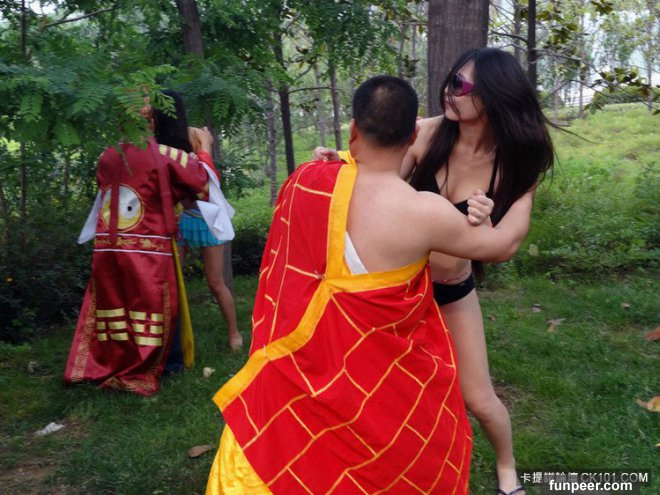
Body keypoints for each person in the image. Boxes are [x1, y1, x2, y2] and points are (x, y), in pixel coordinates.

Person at [206, 75, 527, 495]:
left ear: (354, 128)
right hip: (384, 345)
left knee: (475, 399)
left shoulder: (306, 180)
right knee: (391, 418)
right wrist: (518, 195)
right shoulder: (425, 213)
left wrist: (329, 161)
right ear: (412, 137)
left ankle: (507, 467)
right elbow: (500, 246)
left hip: (324, 347)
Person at [314, 48, 555, 495]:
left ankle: (507, 467)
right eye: (450, 80)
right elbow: (378, 178)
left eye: (460, 85)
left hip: (450, 290)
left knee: (478, 399)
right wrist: (341, 164)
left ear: (493, 96)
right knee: (382, 393)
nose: (449, 91)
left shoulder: (516, 160)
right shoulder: (427, 132)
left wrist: (487, 222)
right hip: (401, 291)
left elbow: (508, 243)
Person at [64, 94, 231, 396]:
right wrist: (205, 149)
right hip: (148, 248)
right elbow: (202, 185)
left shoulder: (107, 156)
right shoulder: (166, 155)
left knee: (117, 305)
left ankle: (113, 361)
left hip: (110, 247)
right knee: (155, 306)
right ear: (152, 121)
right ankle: (166, 364)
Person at [151, 90, 243, 352]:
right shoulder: (153, 143)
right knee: (173, 282)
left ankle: (234, 333)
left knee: (215, 282)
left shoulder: (195, 135)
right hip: (176, 217)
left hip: (205, 216)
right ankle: (173, 339)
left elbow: (209, 179)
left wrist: (206, 149)